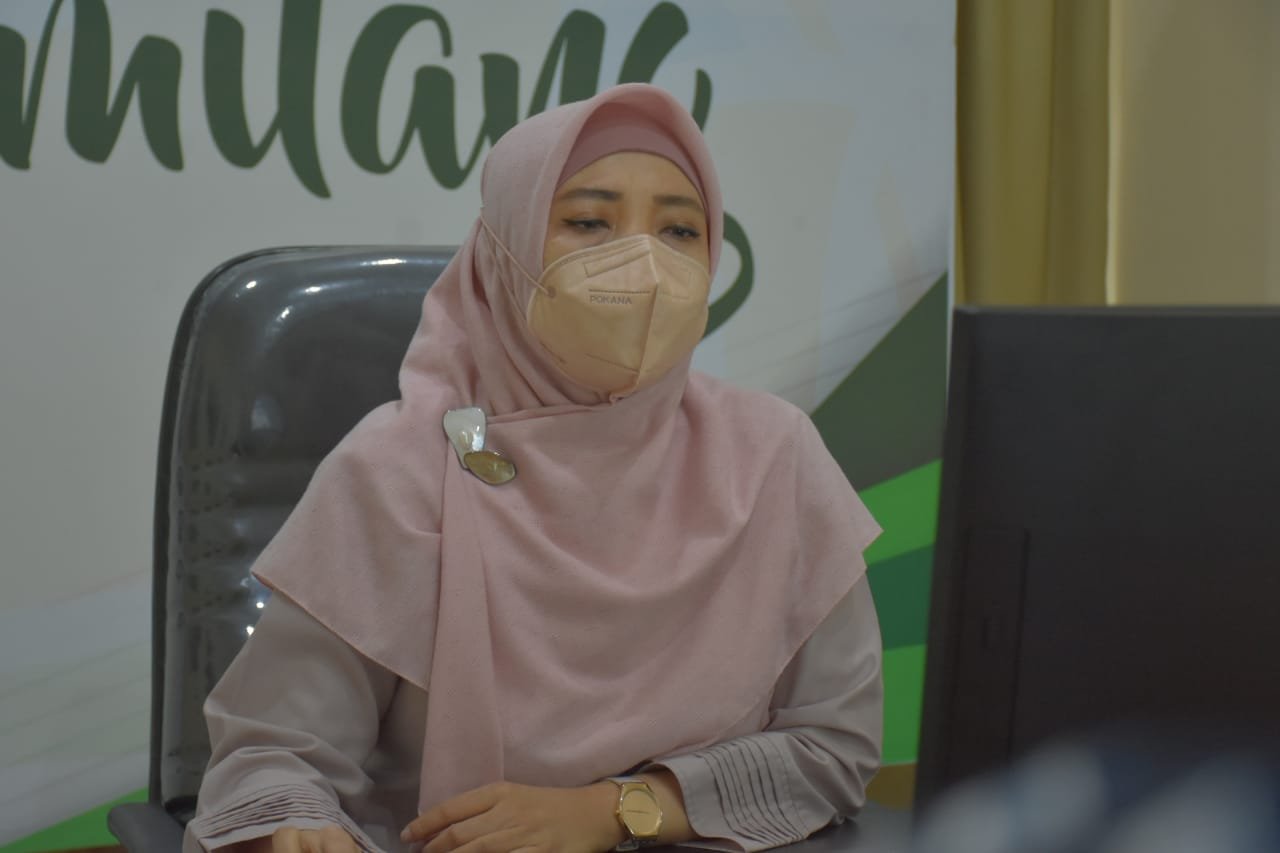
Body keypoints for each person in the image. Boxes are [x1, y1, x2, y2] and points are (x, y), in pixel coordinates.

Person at [185, 82, 883, 853]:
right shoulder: (397, 471)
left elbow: (831, 750)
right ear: (505, 251)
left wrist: (614, 809)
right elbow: (274, 757)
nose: (644, 264)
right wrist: (299, 823)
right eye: (589, 221)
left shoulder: (774, 456)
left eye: (680, 230)